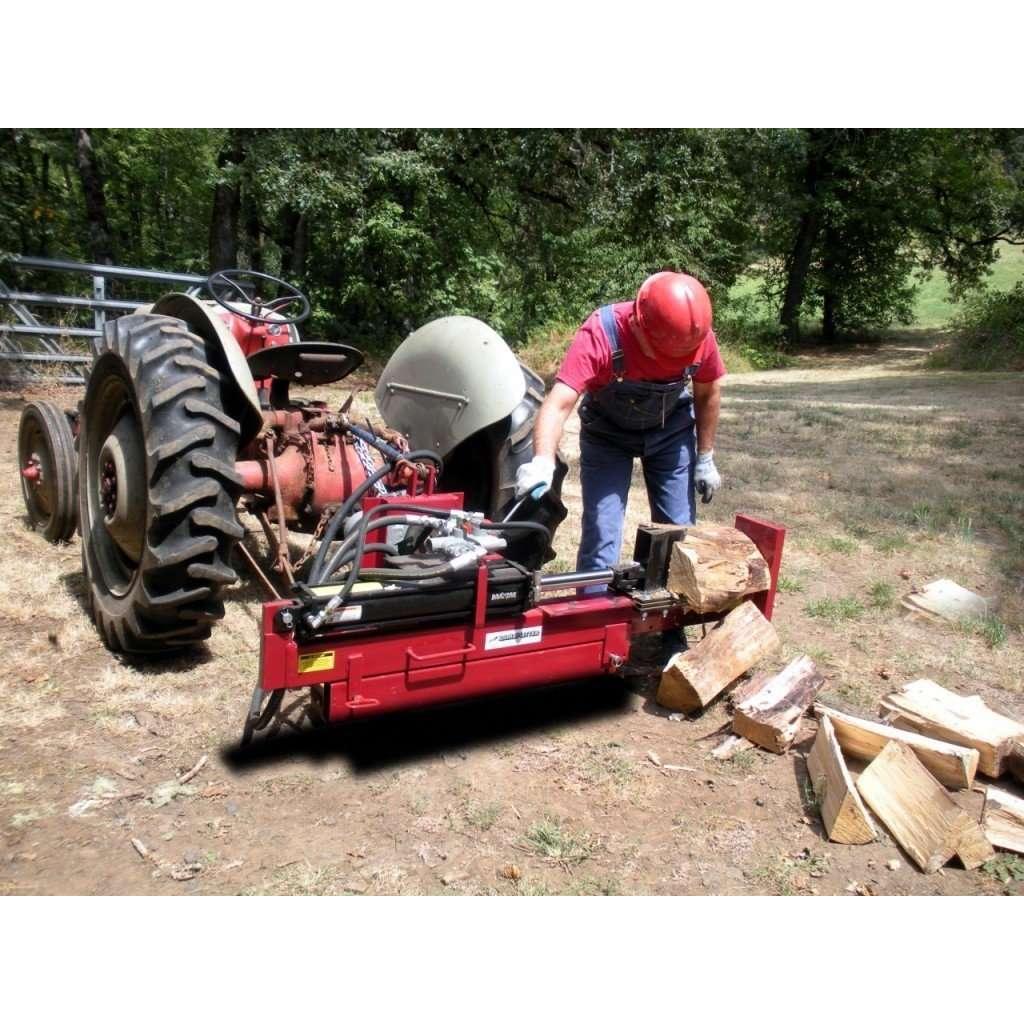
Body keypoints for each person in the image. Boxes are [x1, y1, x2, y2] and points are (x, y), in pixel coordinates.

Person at [515, 271, 725, 580]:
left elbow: (708, 393)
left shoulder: (695, 335)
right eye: (665, 355)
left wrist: (705, 456)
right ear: (638, 325)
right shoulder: (601, 333)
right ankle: (593, 618)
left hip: (670, 434)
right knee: (602, 533)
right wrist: (542, 462)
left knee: (677, 532)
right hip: (607, 436)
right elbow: (558, 403)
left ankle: (665, 624)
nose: (672, 362)